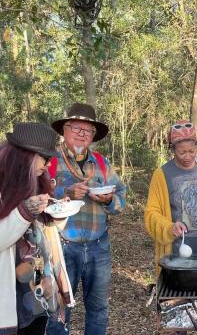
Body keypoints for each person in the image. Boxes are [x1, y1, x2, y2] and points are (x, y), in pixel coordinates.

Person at [0, 122, 75, 335]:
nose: (48, 164)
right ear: (27, 155)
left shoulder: (36, 177)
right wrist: (24, 212)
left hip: (38, 291)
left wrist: (58, 213)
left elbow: (44, 229)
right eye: (45, 157)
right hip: (4, 299)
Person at [46, 102, 126, 335]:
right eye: (76, 128)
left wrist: (109, 200)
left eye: (87, 131)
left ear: (93, 136)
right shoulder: (49, 160)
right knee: (58, 311)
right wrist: (64, 193)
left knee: (98, 308)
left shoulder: (101, 163)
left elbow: (121, 194)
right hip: (61, 248)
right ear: (64, 130)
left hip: (99, 248)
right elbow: (34, 199)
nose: (82, 135)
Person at [144, 120, 197, 276]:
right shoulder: (162, 175)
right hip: (176, 254)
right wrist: (169, 227)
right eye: (182, 152)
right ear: (173, 149)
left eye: (192, 151)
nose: (188, 156)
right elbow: (151, 213)